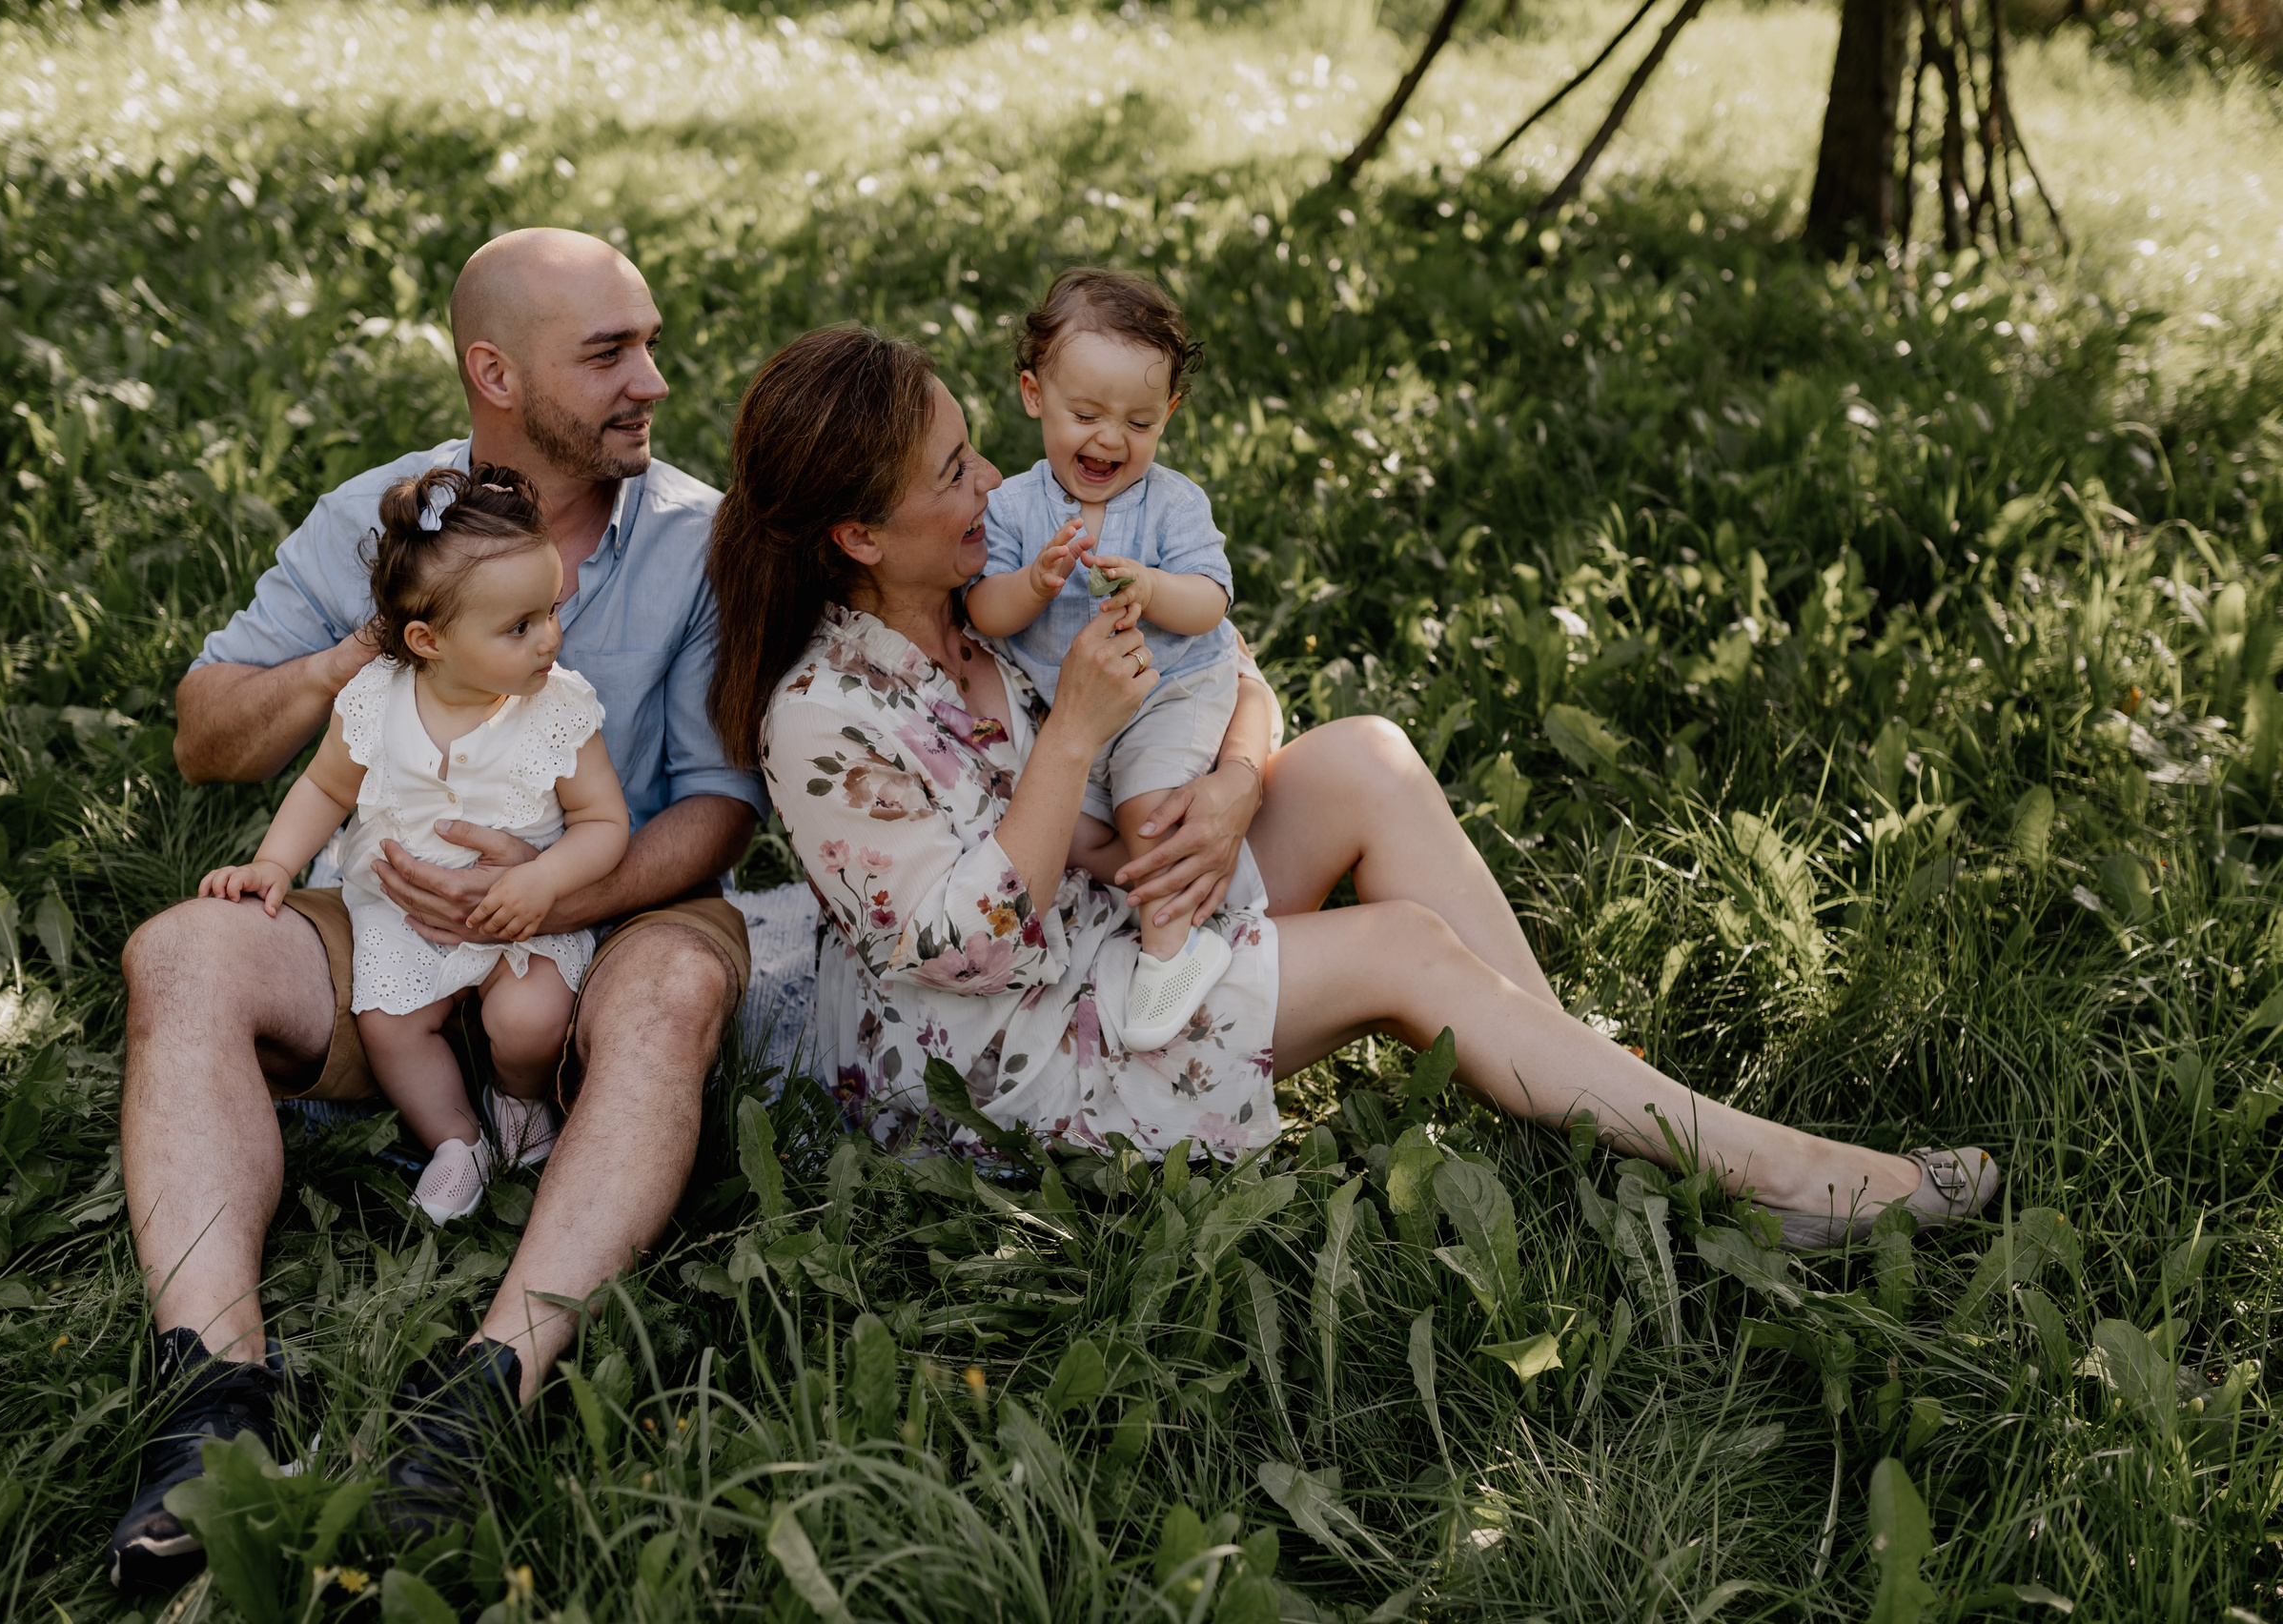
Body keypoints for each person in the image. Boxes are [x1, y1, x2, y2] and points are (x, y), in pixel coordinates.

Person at [707, 323, 2004, 1221]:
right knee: (1405, 953)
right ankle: (1788, 1180)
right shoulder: (824, 714)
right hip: (1005, 1053)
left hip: (1126, 921)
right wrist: (1073, 741)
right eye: (953, 471)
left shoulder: (995, 588)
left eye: (977, 445)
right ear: (858, 533)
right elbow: (965, 950)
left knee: (1369, 758)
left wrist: (1233, 785)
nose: (994, 477)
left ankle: (1585, 1090)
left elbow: (1225, 662)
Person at [108, 229, 765, 1589]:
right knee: (180, 954)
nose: (652, 377)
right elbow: (207, 739)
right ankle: (211, 1399)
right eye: (609, 354)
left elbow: (714, 811)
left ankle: (483, 1396)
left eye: (648, 341)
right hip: (387, 921)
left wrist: (544, 888)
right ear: (495, 373)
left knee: (678, 988)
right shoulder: (376, 519)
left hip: (621, 902)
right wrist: (374, 638)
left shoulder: (707, 543)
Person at [194, 466, 629, 1226]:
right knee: (391, 1028)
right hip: (400, 911)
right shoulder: (375, 700)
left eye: (551, 611)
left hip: (519, 917)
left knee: (529, 1022)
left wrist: (546, 882)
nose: (549, 639)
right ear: (428, 640)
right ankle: (455, 1141)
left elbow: (604, 823)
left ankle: (519, 1100)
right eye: (520, 627)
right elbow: (326, 789)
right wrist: (273, 863)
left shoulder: (558, 707)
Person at [964, 269, 1242, 1049]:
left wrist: (1152, 585)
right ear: (1033, 394)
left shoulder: (1173, 503)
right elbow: (985, 609)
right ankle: (1189, 887)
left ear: (1169, 416)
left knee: (1145, 805)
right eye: (1084, 413)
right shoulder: (1014, 509)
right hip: (1078, 715)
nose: (1110, 440)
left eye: (1140, 421)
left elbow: (1211, 603)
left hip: (1167, 691)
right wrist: (1036, 582)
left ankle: (1173, 952)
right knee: (1077, 839)